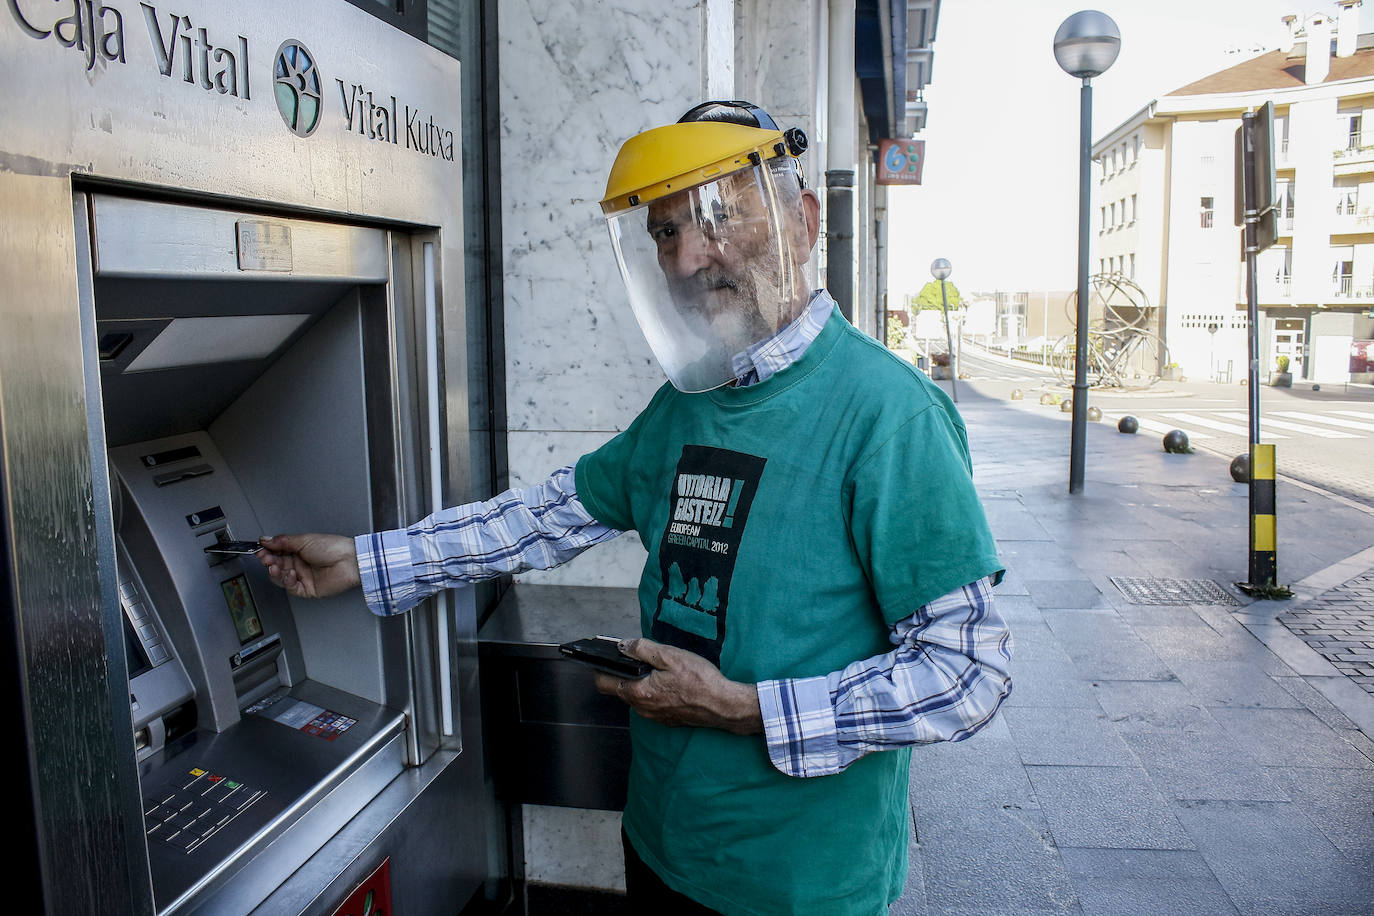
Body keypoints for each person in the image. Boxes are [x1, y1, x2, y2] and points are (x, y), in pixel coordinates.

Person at [258, 100, 1012, 915]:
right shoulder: (686, 405)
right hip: (661, 841)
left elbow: (965, 670)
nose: (688, 256)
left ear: (803, 220)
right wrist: (365, 560)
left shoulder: (888, 414)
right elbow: (545, 516)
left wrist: (744, 710)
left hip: (800, 883)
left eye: (717, 217)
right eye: (662, 233)